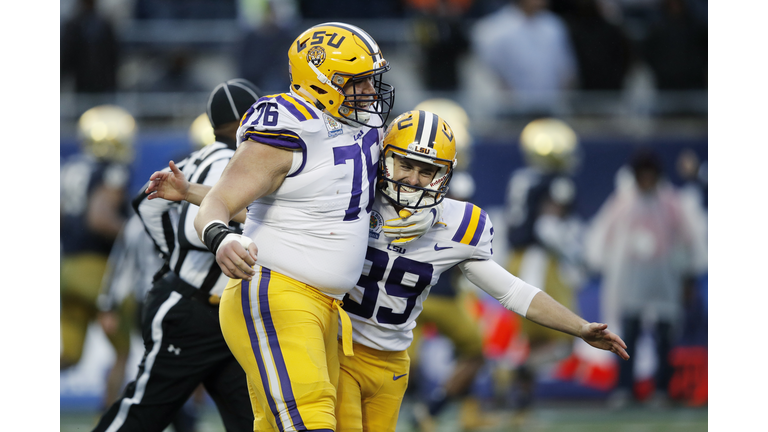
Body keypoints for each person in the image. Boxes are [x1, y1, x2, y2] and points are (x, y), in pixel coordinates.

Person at [149, 110, 630, 432]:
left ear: (446, 176)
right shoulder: (352, 199)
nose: (414, 180)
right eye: (404, 165)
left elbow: (513, 292)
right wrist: (193, 193)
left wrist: (580, 327)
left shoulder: (459, 224)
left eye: (428, 172)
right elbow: (266, 202)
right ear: (384, 161)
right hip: (338, 349)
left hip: (394, 363)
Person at [187, 23, 436, 432]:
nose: (371, 92)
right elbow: (220, 201)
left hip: (328, 306)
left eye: (371, 80)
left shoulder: (364, 124)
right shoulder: (287, 125)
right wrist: (219, 236)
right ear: (321, 81)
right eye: (357, 83)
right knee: (312, 418)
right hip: (277, 291)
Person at [91, 79, 261, 432]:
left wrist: (172, 252)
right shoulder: (231, 162)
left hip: (217, 311)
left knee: (255, 420)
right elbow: (195, 227)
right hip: (195, 309)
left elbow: (145, 202)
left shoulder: (201, 156)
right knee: (142, 414)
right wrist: (214, 242)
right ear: (250, 117)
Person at [584, 148, 706, 409]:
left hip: (665, 283)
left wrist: (688, 277)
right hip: (632, 284)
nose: (647, 180)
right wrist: (599, 264)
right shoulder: (623, 203)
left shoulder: (672, 204)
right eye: (643, 175)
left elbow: (690, 241)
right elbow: (602, 235)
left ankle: (661, 389)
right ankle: (624, 388)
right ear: (636, 176)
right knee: (627, 336)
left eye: (651, 175)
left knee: (665, 339)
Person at [503, 117, 587, 413]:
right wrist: (578, 259)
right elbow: (548, 229)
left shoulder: (521, 178)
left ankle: (521, 398)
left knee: (536, 339)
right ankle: (515, 372)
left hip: (518, 260)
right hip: (541, 263)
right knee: (566, 338)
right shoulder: (555, 183)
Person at [61, 104, 135, 371]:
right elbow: (100, 219)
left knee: (68, 354)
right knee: (123, 352)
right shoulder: (112, 170)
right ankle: (106, 415)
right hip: (97, 270)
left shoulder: (69, 168)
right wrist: (135, 233)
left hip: (66, 268)